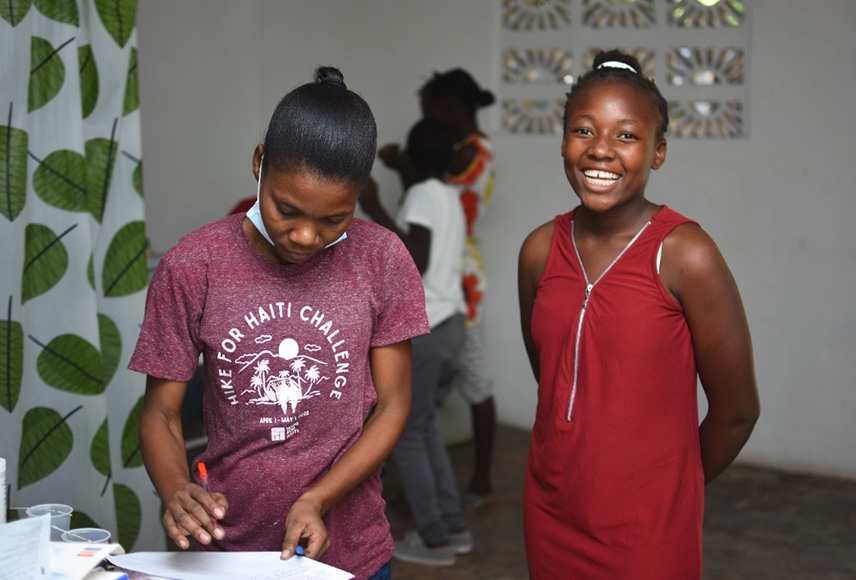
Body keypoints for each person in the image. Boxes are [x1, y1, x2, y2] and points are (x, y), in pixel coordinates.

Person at [130, 66, 428, 580]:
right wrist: (177, 487)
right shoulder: (193, 265)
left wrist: (319, 497)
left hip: (350, 553)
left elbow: (394, 404)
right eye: (287, 210)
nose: (306, 236)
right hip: (228, 550)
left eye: (333, 219)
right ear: (259, 164)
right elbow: (161, 414)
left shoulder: (382, 259)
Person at [517, 50, 760, 579]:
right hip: (552, 512)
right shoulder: (539, 250)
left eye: (626, 135)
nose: (600, 151)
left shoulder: (686, 255)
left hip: (648, 530)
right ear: (563, 140)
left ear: (658, 152)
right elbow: (555, 379)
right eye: (583, 130)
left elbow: (737, 411)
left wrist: (672, 488)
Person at [379, 68, 498, 509]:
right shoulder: (448, 171)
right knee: (429, 410)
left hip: (452, 287)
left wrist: (395, 176)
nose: (429, 117)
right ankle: (436, 496)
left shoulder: (468, 154)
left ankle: (455, 493)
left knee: (461, 390)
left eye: (430, 110)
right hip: (451, 284)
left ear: (452, 109)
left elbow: (425, 199)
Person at [359, 118, 472, 567]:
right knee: (424, 429)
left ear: (415, 156)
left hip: (427, 327)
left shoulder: (424, 194)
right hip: (453, 322)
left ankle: (433, 536)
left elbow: (416, 260)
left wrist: (375, 206)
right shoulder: (448, 194)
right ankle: (452, 526)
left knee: (404, 434)